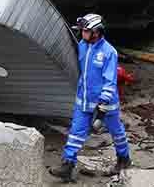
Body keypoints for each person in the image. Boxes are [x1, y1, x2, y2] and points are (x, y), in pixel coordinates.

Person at [50, 14, 131, 182]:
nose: (82, 34)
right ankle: (67, 165)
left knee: (116, 132)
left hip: (105, 103)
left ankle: (123, 159)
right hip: (84, 100)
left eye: (85, 31)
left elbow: (110, 81)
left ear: (96, 32)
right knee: (75, 133)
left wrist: (102, 106)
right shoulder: (82, 46)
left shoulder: (109, 52)